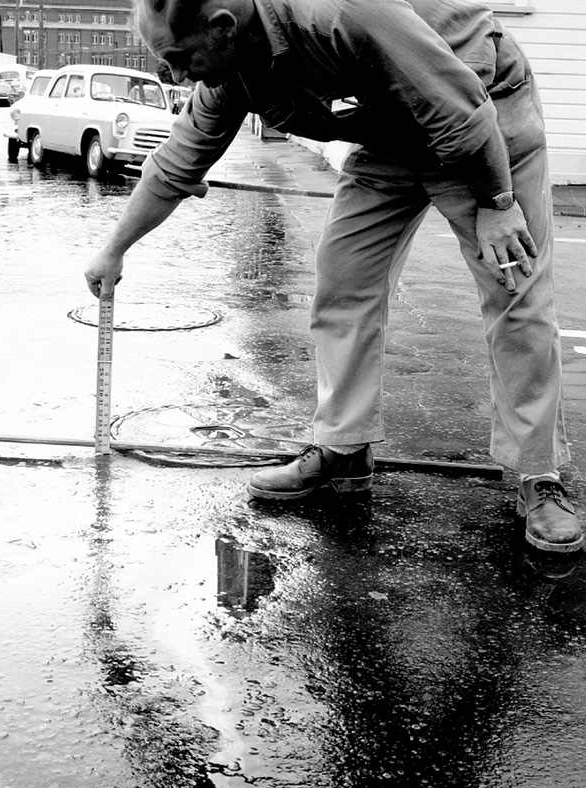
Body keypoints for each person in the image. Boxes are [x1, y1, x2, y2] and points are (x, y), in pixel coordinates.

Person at [83, 0, 582, 553]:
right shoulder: (233, 70)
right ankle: (343, 449)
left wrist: (498, 201)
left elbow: (462, 113)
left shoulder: (341, 12)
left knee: (515, 286)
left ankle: (539, 476)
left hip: (482, 113)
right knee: (343, 280)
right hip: (393, 133)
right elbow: (178, 161)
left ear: (223, 27)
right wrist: (114, 250)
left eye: (177, 59)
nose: (174, 76)